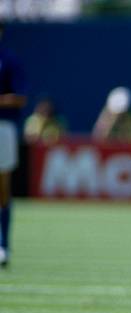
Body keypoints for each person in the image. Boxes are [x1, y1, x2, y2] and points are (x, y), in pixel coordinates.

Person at [0, 23, 27, 267]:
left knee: (2, 187)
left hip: (2, 126)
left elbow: (19, 97)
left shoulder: (8, 60)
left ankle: (3, 244)